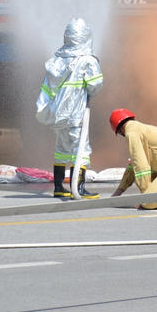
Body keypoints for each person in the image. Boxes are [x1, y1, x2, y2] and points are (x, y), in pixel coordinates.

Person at [35, 17, 103, 199]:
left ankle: (58, 187)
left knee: (61, 149)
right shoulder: (87, 60)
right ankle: (78, 189)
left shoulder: (57, 60)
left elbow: (48, 88)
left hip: (58, 115)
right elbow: (95, 85)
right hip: (76, 115)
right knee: (81, 150)